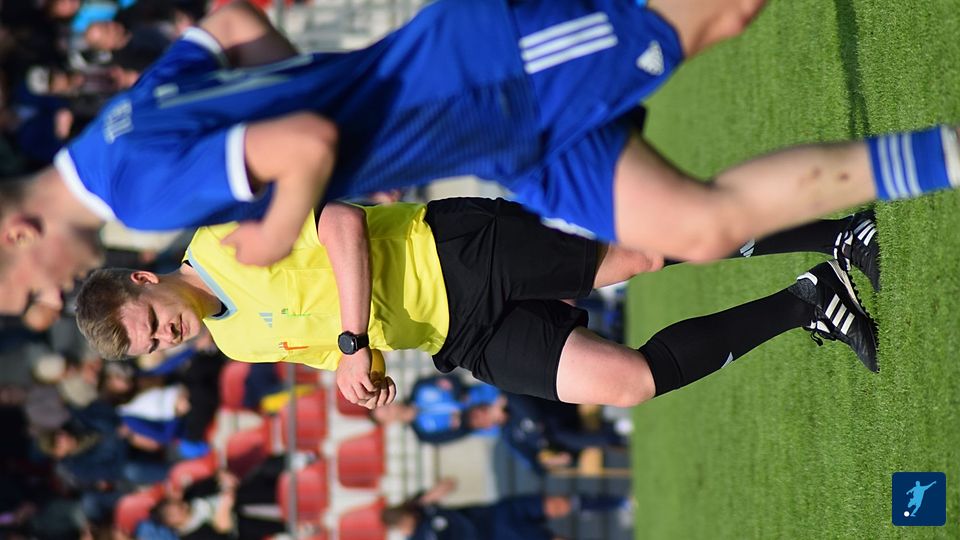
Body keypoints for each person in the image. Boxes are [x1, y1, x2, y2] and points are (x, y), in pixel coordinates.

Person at [0, 0, 955, 312]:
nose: (45, 300)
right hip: (490, 135)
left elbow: (307, 144)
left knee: (722, 10)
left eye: (21, 292)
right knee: (699, 231)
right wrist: (326, 91)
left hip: (480, 79)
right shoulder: (110, 130)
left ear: (16, 235)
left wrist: (279, 229)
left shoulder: (138, 197)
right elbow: (232, 23)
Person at [76, 198, 878, 409]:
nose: (167, 338)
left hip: (454, 251)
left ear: (144, 280)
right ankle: (811, 301)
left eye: (152, 325)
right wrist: (366, 370)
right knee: (627, 383)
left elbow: (341, 223)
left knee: (643, 254)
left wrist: (353, 341)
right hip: (452, 335)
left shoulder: (222, 240)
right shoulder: (234, 346)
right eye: (154, 348)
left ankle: (839, 232)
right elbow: (344, 345)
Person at [381, 477, 627, 540]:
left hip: (497, 513)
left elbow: (450, 484)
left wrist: (423, 500)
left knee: (557, 503)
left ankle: (620, 502)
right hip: (498, 536)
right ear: (401, 526)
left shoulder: (422, 508)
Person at [370, 374, 503, 445]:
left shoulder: (419, 387)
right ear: (389, 422)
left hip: (490, 394)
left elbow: (452, 378)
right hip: (492, 422)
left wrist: (457, 393)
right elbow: (458, 434)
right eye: (388, 412)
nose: (392, 408)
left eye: (387, 405)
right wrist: (462, 419)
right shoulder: (423, 434)